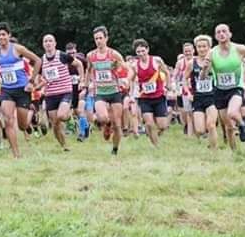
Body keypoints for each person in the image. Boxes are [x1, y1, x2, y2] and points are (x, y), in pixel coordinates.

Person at [0, 22, 42, 158]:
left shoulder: (18, 49)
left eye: (3, 34)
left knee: (22, 125)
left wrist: (31, 81)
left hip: (22, 89)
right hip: (7, 90)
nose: (1, 37)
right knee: (8, 120)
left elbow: (38, 60)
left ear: (9, 35)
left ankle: (29, 124)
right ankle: (16, 155)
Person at [86, 26, 131, 155]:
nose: (98, 41)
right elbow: (89, 70)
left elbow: (126, 68)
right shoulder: (91, 55)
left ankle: (115, 149)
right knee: (104, 117)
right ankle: (105, 124)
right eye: (96, 39)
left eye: (101, 38)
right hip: (100, 92)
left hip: (115, 92)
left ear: (106, 38)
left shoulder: (114, 54)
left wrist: (126, 79)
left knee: (117, 125)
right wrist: (86, 84)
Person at [209, 24, 245, 150]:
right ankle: (234, 152)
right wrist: (204, 69)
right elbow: (203, 76)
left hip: (236, 87)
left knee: (232, 112)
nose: (221, 34)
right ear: (215, 36)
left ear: (230, 34)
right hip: (220, 90)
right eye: (218, 32)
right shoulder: (212, 53)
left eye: (224, 31)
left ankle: (241, 124)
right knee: (228, 126)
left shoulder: (239, 49)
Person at [39, 34, 84, 151]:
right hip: (50, 95)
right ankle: (64, 146)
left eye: (50, 41)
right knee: (55, 124)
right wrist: (39, 85)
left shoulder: (62, 56)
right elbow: (40, 77)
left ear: (55, 44)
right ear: (43, 45)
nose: (48, 43)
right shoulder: (42, 60)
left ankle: (71, 119)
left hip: (65, 91)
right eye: (45, 41)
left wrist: (82, 79)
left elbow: (79, 64)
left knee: (61, 115)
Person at [131, 39, 172, 148]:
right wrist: (131, 94)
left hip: (159, 96)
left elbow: (167, 72)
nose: (141, 54)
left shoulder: (156, 60)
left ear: (147, 49)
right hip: (145, 98)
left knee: (162, 125)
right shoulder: (135, 65)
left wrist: (168, 85)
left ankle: (156, 133)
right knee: (149, 123)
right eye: (138, 52)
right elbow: (131, 79)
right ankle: (156, 146)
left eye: (143, 51)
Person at [185, 35, 219, 150]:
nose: (202, 49)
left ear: (209, 47)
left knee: (211, 124)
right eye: (199, 47)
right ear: (196, 48)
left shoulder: (214, 61)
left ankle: (214, 150)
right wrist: (188, 93)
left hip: (212, 96)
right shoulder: (191, 63)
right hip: (198, 98)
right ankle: (210, 139)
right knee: (199, 130)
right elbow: (184, 79)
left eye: (204, 46)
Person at [66, 42, 90, 140]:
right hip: (70, 90)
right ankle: (85, 126)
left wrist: (85, 82)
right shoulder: (64, 61)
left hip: (81, 88)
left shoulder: (81, 60)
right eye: (69, 54)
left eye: (73, 53)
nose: (72, 55)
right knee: (74, 111)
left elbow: (89, 69)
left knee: (80, 109)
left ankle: (82, 133)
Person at [174, 43, 195, 135]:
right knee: (188, 113)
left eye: (189, 51)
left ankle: (199, 130)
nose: (187, 53)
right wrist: (176, 88)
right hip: (185, 91)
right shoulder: (180, 63)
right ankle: (189, 132)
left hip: (197, 90)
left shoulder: (197, 60)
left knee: (198, 111)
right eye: (185, 51)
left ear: (193, 51)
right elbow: (175, 76)